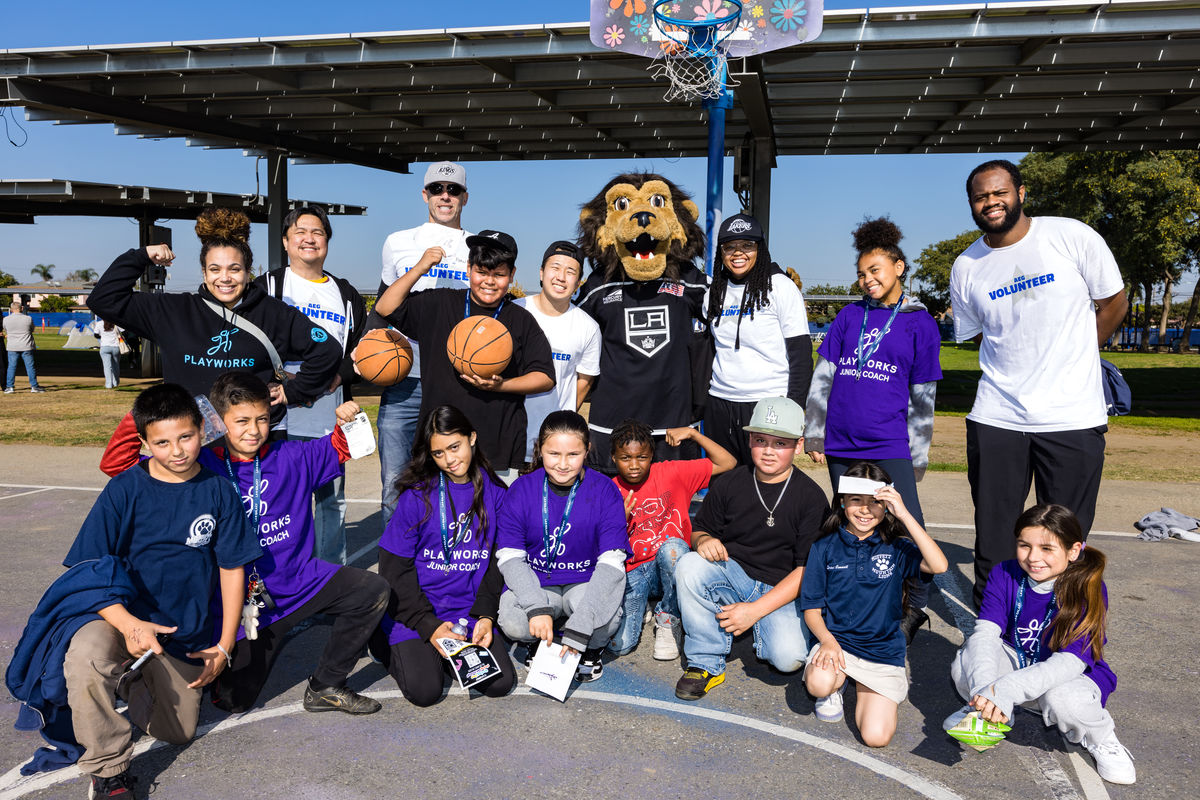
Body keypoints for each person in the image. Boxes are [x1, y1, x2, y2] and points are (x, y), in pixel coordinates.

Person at [100, 372, 388, 716]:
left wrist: (351, 419)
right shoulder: (197, 465)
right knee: (233, 701)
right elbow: (116, 464)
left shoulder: (293, 456)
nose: (253, 430)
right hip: (237, 604)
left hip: (298, 584)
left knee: (371, 590)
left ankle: (327, 684)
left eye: (262, 418)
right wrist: (144, 412)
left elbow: (353, 447)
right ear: (216, 421)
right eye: (241, 421)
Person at [950, 160, 1129, 607]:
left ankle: (1062, 630)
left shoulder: (1070, 235)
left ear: (1021, 193)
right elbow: (976, 333)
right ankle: (991, 634)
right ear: (972, 204)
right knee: (994, 537)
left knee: (1062, 538)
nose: (991, 202)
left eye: (999, 193)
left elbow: (1113, 302)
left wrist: (1083, 355)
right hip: (997, 415)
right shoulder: (967, 266)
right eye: (980, 197)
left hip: (1071, 415)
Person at [65, 385, 258, 798]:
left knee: (180, 731)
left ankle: (129, 684)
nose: (176, 451)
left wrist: (224, 646)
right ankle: (109, 771)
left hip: (177, 632)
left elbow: (231, 569)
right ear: (143, 443)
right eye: (162, 442)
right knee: (86, 657)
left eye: (185, 437)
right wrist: (131, 627)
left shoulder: (218, 490)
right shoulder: (124, 489)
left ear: (203, 430)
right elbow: (88, 571)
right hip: (119, 617)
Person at [804, 218, 942, 641]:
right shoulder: (848, 316)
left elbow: (923, 397)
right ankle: (846, 600)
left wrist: (916, 456)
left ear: (899, 267)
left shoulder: (920, 323)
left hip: (888, 445)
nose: (867, 280)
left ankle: (913, 606)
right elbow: (822, 377)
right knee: (849, 523)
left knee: (906, 524)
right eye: (861, 274)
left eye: (875, 271)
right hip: (842, 445)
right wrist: (814, 431)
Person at [87, 207, 342, 430]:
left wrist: (292, 392)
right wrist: (141, 256)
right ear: (203, 272)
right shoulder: (173, 310)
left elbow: (327, 351)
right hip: (192, 445)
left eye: (235, 269)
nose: (225, 278)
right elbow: (103, 299)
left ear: (248, 271)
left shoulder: (274, 313)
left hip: (256, 446)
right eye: (215, 269)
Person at [948, 504, 1134, 784]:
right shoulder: (1004, 572)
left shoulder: (1089, 586)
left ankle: (1101, 738)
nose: (1034, 558)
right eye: (1025, 546)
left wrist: (1006, 688)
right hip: (1020, 660)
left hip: (1070, 674)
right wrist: (986, 693)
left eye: (1047, 548)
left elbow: (1071, 661)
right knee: (965, 664)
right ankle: (993, 713)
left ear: (1073, 551)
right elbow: (986, 634)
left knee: (1064, 700)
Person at [674, 396, 829, 701]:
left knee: (788, 660)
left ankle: (753, 624)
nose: (769, 450)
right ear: (749, 440)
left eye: (780, 443)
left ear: (798, 446)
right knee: (689, 565)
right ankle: (706, 661)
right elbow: (701, 529)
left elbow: (806, 571)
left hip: (784, 590)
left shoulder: (811, 498)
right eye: (760, 440)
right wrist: (703, 540)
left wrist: (755, 612)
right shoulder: (731, 483)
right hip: (736, 576)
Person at [372, 229, 554, 481]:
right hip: (440, 448)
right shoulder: (439, 303)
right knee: (439, 518)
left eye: (499, 274)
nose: (489, 281)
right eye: (481, 272)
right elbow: (385, 306)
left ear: (512, 275)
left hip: (496, 448)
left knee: (494, 520)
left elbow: (544, 376)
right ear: (468, 269)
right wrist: (419, 268)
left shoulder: (521, 319)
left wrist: (502, 385)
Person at [374, 405, 516, 706]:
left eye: (455, 447)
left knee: (500, 683)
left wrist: (486, 616)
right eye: (439, 453)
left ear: (472, 438)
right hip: (417, 611)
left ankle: (442, 654)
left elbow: (499, 562)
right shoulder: (416, 496)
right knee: (425, 691)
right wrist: (429, 626)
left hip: (468, 612)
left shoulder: (497, 494)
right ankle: (381, 640)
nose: (450, 460)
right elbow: (392, 569)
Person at [799, 462, 948, 747]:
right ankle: (835, 685)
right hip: (838, 644)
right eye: (856, 500)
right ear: (842, 502)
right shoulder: (824, 547)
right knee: (819, 683)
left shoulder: (896, 546)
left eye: (875, 503)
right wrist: (827, 641)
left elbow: (939, 565)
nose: (865, 510)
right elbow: (812, 609)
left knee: (876, 737)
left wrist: (903, 513)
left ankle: (862, 682)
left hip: (882, 651)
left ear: (886, 506)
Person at [255, 205, 368, 565]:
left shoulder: (346, 294)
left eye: (317, 232)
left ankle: (331, 578)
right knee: (283, 501)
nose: (309, 239)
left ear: (327, 241)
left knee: (332, 500)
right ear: (286, 241)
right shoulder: (268, 287)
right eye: (300, 232)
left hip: (328, 412)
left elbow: (360, 352)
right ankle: (286, 576)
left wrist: (340, 375)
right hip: (279, 414)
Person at [495, 411, 628, 682]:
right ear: (540, 450)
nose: (563, 464)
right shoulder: (521, 489)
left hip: (585, 581)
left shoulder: (605, 490)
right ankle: (540, 637)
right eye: (554, 454)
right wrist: (535, 607)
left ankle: (588, 648)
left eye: (573, 455)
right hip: (539, 581)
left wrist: (583, 626)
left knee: (607, 620)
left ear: (587, 450)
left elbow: (612, 564)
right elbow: (510, 558)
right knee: (512, 621)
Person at [377, 161, 473, 527]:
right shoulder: (398, 241)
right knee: (395, 481)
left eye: (452, 191)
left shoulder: (476, 246)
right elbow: (386, 305)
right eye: (437, 189)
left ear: (464, 197)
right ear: (425, 195)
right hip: (404, 371)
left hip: (454, 374)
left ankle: (446, 561)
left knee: (453, 476)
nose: (444, 196)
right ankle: (395, 572)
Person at [606, 418, 736, 661]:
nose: (634, 465)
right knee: (619, 646)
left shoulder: (672, 472)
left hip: (673, 567)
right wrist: (618, 520)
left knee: (674, 548)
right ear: (613, 458)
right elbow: (602, 546)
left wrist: (693, 434)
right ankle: (643, 601)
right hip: (635, 571)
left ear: (652, 455)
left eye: (642, 457)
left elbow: (728, 462)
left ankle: (668, 617)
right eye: (625, 458)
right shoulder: (608, 490)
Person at [705, 213, 813, 466]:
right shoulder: (714, 291)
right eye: (729, 246)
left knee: (764, 483)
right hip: (720, 403)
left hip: (768, 401)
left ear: (760, 248)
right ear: (721, 251)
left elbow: (800, 354)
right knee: (725, 485)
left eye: (747, 245)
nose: (738, 253)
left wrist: (795, 409)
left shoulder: (780, 287)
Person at [514, 240, 601, 462]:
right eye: (555, 268)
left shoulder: (588, 327)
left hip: (553, 449)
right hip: (509, 439)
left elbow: (585, 380)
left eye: (570, 271)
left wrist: (563, 415)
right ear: (542, 273)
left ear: (578, 283)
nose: (561, 277)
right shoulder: (515, 312)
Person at [4, 300, 44, 393]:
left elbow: (6, 329)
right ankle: (34, 386)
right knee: (30, 367)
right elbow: (32, 329)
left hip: (12, 346)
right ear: (21, 308)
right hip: (26, 345)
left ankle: (10, 387)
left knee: (11, 367)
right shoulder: (28, 318)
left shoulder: (6, 319)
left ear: (11, 309)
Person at [91, 318, 124, 389]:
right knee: (116, 365)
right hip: (116, 347)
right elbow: (124, 332)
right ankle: (116, 382)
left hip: (104, 347)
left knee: (107, 367)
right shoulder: (116, 323)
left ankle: (109, 384)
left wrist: (102, 336)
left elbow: (96, 335)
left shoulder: (99, 324)